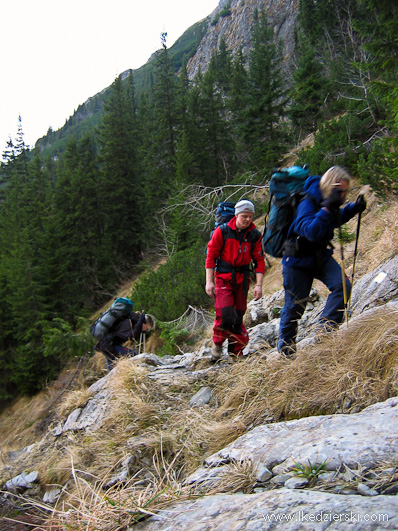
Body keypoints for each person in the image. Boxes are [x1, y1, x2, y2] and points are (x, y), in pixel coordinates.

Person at [278, 166, 367, 357]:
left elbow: (332, 220)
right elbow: (310, 230)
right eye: (340, 191)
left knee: (343, 286)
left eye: (345, 192)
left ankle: (324, 335)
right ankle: (286, 351)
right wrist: (328, 207)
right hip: (297, 261)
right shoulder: (307, 201)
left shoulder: (328, 200)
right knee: (295, 308)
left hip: (320, 256)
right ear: (329, 186)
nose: (343, 195)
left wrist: (352, 208)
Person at [205, 199, 265, 362]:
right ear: (236, 215)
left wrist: (259, 285)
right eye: (244, 216)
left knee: (238, 316)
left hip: (242, 280)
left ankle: (235, 354)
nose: (247, 220)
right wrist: (209, 281)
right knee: (225, 315)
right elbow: (211, 257)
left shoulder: (254, 235)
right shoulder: (223, 231)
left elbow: (259, 260)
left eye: (250, 216)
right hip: (223, 278)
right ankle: (217, 345)